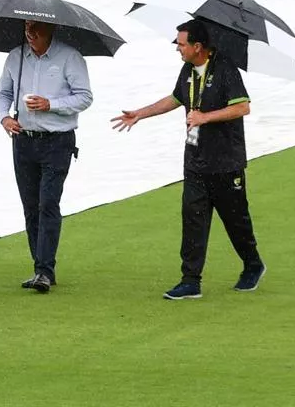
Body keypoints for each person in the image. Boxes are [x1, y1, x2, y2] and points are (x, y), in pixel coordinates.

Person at [111, 18, 266, 300]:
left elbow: (243, 108)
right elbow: (175, 99)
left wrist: (205, 117)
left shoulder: (226, 68)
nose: (177, 49)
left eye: (181, 45)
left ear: (198, 46)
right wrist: (140, 114)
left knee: (235, 220)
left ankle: (252, 263)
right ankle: (190, 280)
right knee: (193, 219)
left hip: (225, 162)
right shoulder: (187, 70)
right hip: (195, 161)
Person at [0, 20, 93, 293]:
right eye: (27, 27)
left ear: (51, 28)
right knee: (30, 206)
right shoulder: (16, 57)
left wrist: (52, 105)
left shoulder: (69, 57)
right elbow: (2, 94)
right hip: (24, 141)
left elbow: (84, 97)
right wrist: (4, 118)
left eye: (36, 28)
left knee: (48, 203)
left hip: (57, 142)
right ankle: (40, 267)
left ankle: (44, 271)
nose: (30, 33)